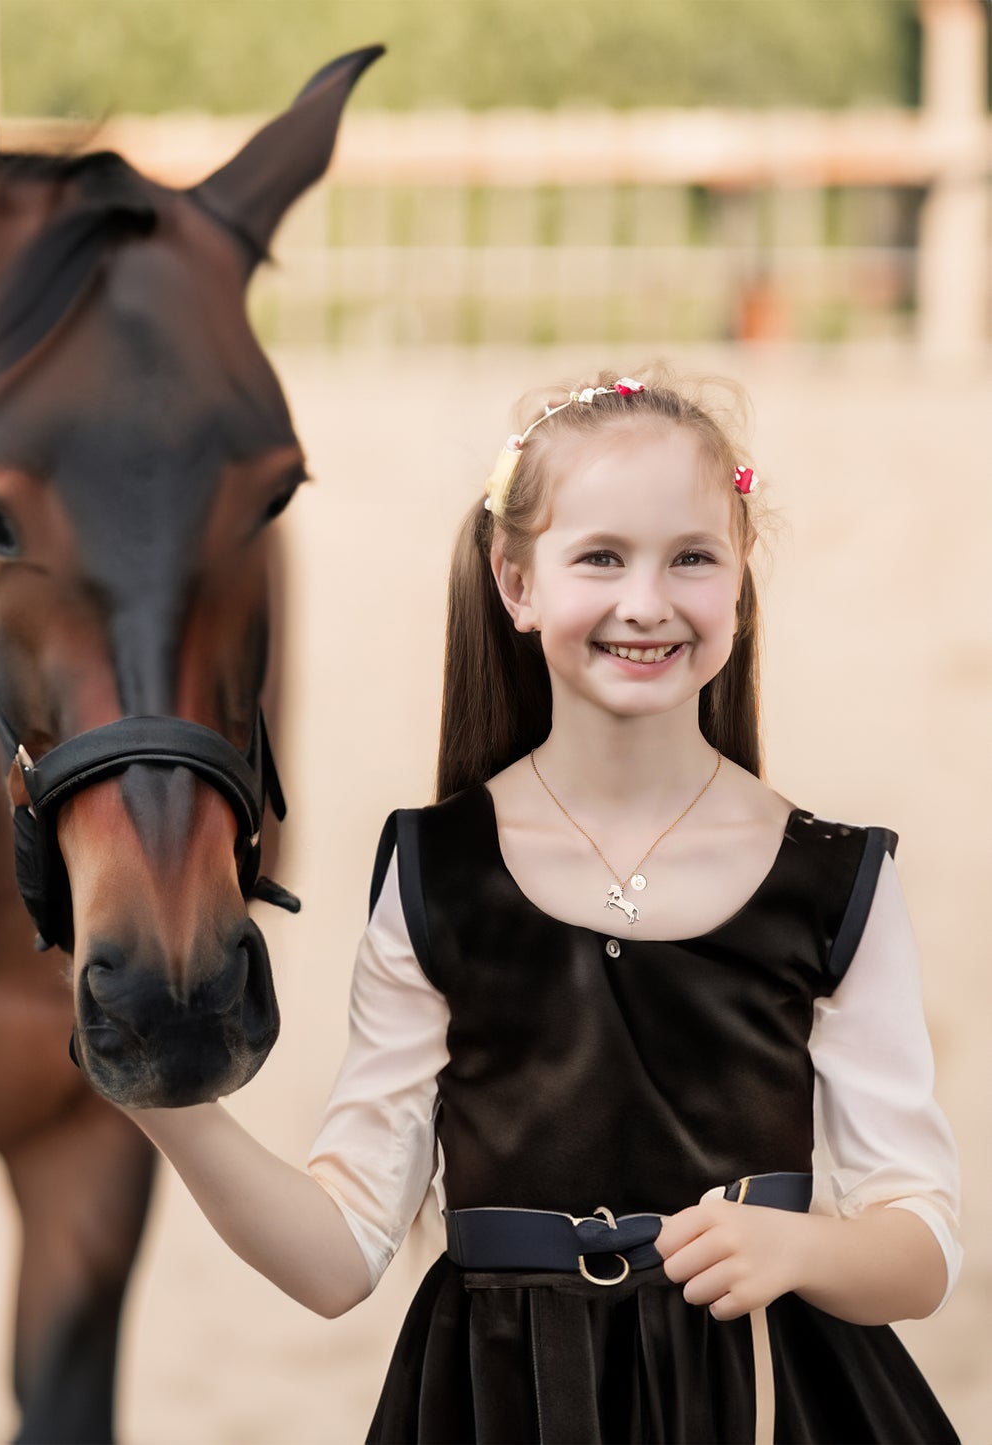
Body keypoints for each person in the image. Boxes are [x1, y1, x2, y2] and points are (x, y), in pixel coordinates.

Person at [115, 369, 961, 1443]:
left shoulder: (836, 880)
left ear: (737, 585)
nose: (645, 600)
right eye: (599, 555)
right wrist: (152, 1092)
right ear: (515, 581)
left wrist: (800, 1247)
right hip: (493, 1400)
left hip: (756, 1396)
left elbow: (921, 1243)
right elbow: (338, 1258)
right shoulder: (435, 872)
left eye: (691, 556)